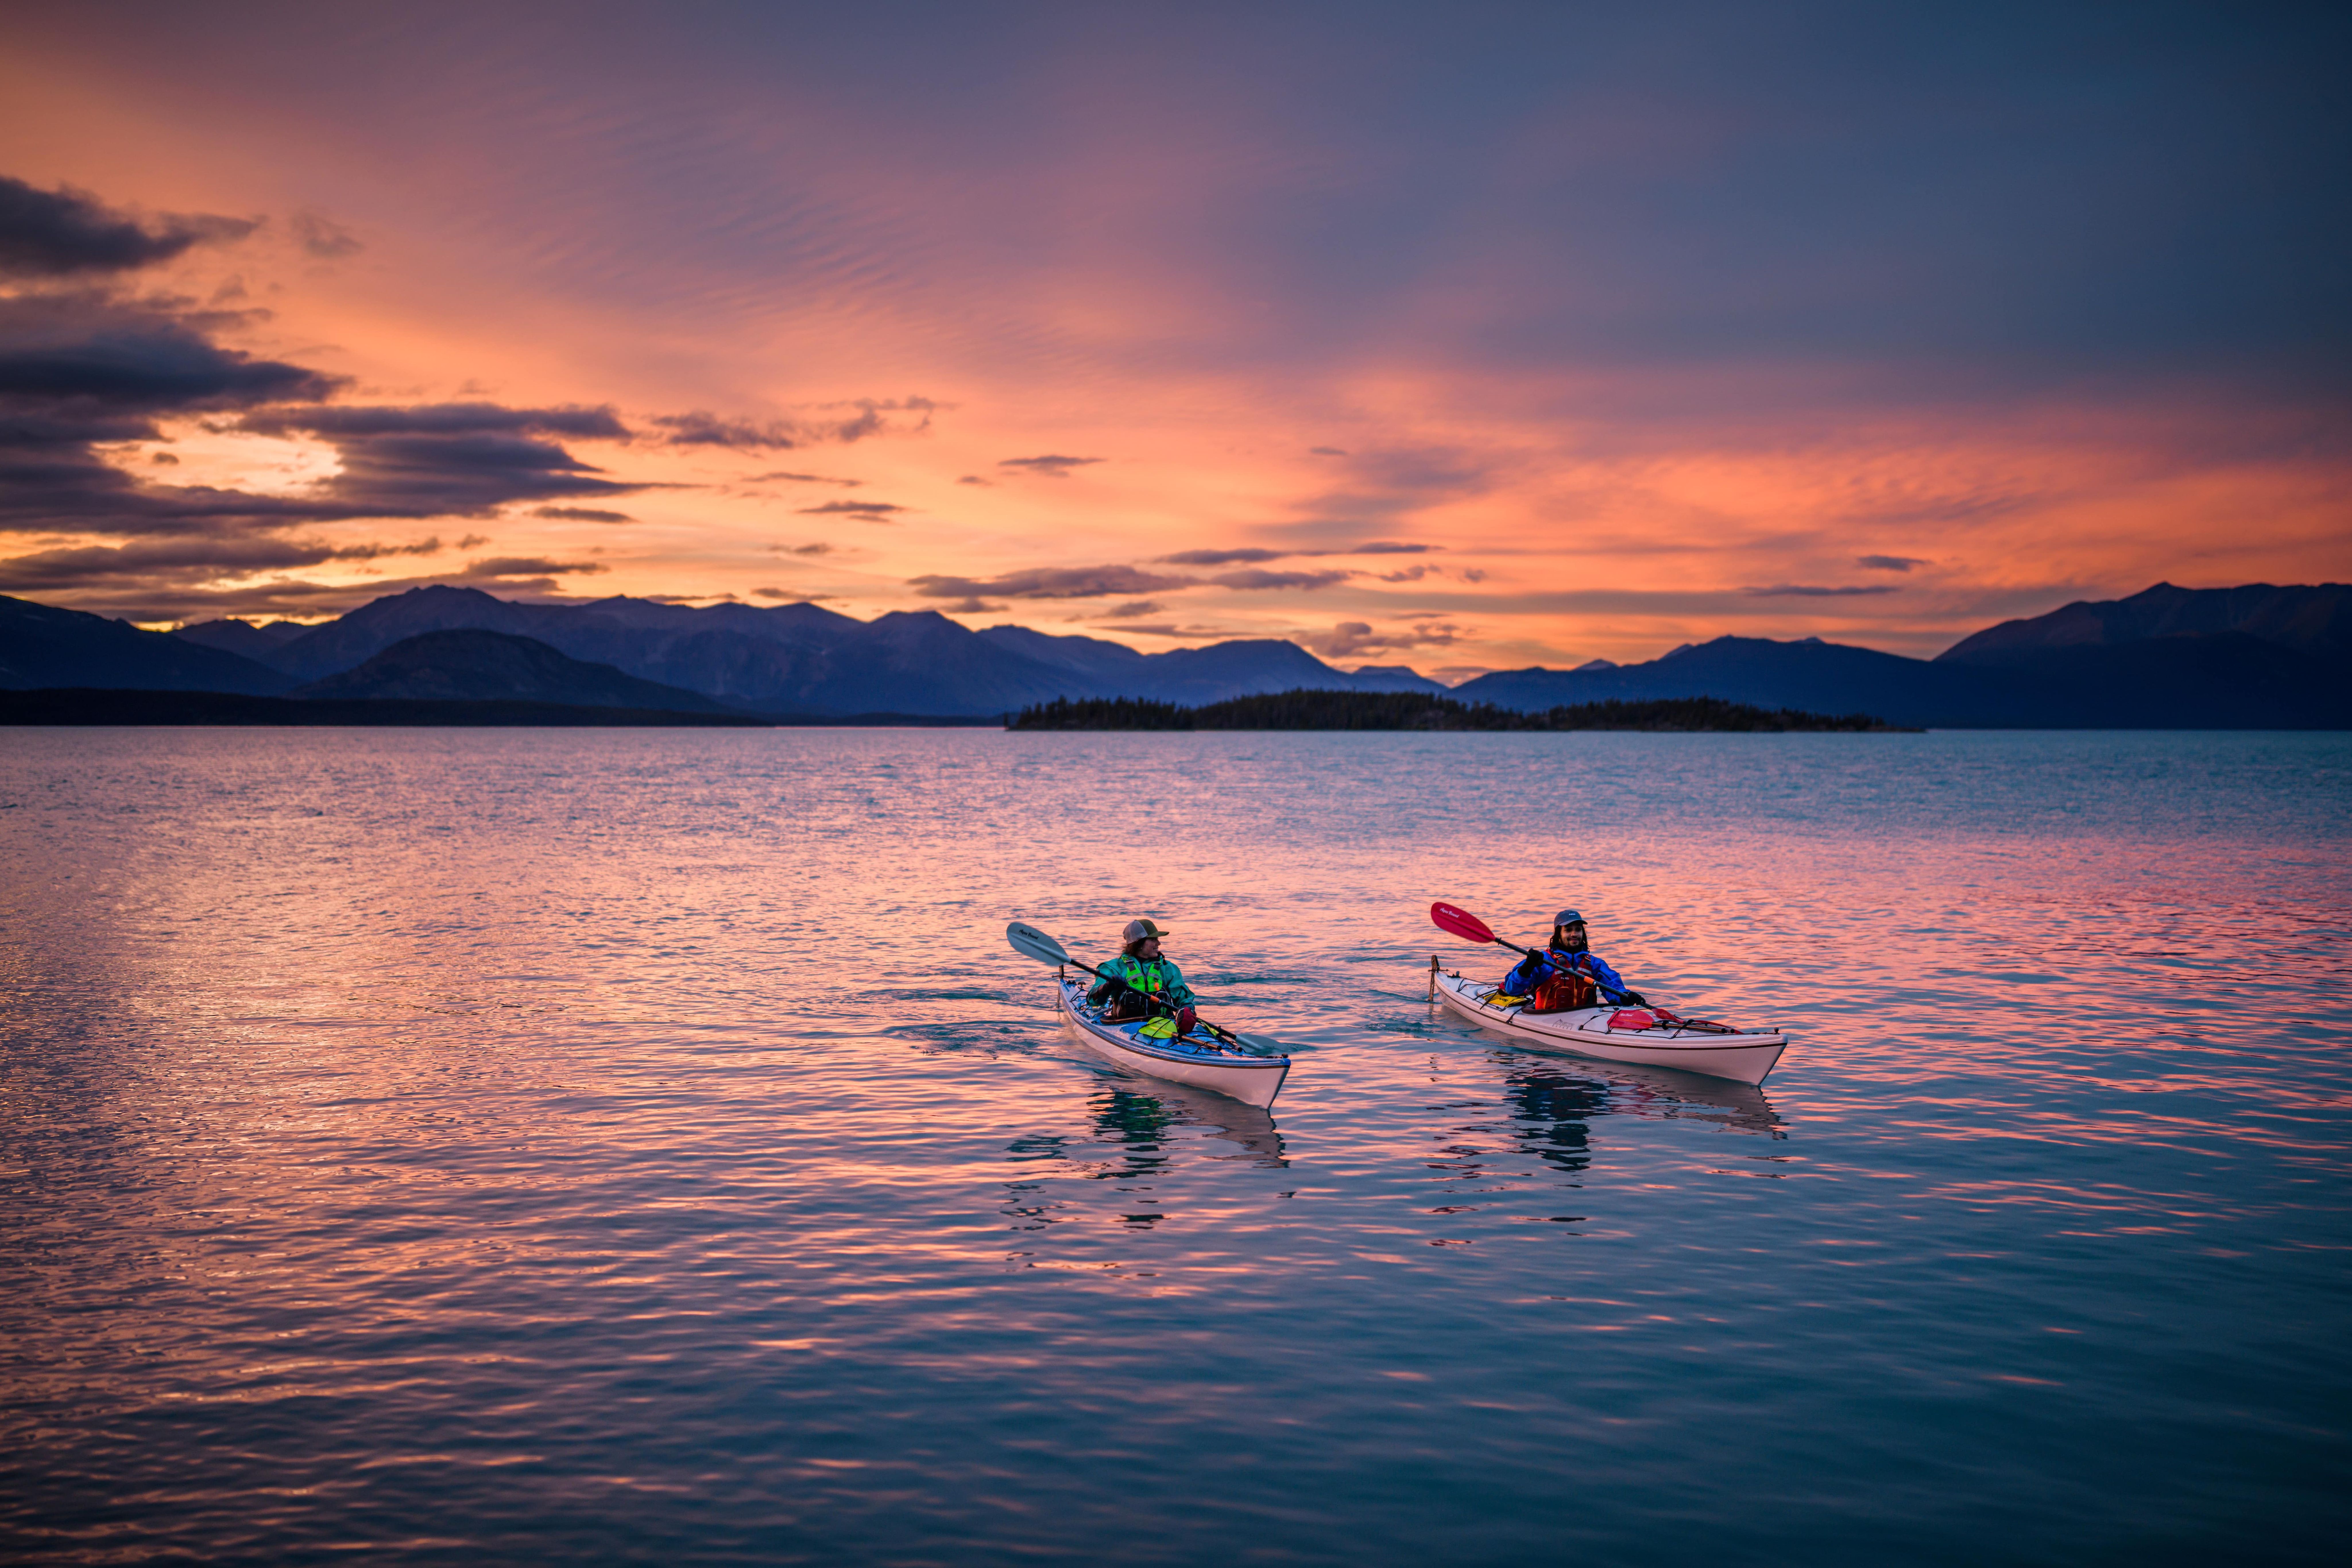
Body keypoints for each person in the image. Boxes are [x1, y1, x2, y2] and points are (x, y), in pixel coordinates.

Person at [1503, 909, 1643, 1010]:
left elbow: (1614, 987)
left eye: (1578, 930)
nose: (1574, 934)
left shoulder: (1595, 963)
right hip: (1546, 1019)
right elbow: (1512, 990)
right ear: (1559, 934)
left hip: (1586, 1020)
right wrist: (1528, 967)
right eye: (1568, 930)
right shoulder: (1543, 960)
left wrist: (1626, 996)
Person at [1088, 918, 1199, 1033]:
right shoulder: (1113, 968)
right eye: (1153, 939)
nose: (1159, 943)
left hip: (1164, 1027)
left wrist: (1187, 1010)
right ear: (1139, 943)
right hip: (1125, 1027)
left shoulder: (1168, 968)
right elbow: (1093, 1001)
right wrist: (1108, 986)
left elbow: (1184, 999)